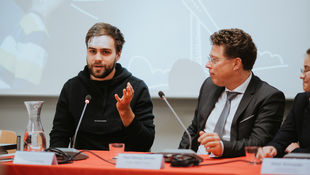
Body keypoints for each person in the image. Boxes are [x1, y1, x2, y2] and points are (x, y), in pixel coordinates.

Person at [179, 28, 285, 157]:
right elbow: (194, 128)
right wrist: (179, 156)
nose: (208, 65)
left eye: (214, 60)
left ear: (236, 64)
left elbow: (259, 142)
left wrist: (222, 147)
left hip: (234, 164)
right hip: (198, 161)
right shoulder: (209, 85)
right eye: (209, 59)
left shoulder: (268, 97)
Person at [49, 22, 155, 152]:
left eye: (105, 52)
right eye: (92, 51)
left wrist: (125, 112)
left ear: (118, 55)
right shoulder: (72, 88)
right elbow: (59, 137)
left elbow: (145, 144)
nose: (97, 58)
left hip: (122, 167)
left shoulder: (135, 88)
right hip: (81, 167)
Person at [260, 48, 310, 158]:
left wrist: (297, 151)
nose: (302, 76)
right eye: (303, 70)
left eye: (307, 70)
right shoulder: (301, 100)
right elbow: (284, 137)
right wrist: (272, 148)